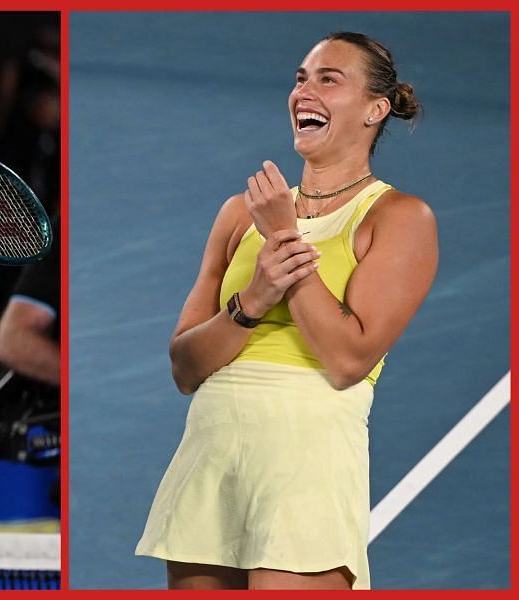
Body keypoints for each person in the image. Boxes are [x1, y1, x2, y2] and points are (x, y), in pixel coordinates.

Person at [135, 32, 437, 590]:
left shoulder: (399, 218)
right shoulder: (235, 215)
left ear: (376, 109)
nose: (305, 91)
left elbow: (347, 360)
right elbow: (185, 367)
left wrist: (283, 235)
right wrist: (251, 302)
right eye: (301, 78)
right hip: (214, 448)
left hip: (307, 456)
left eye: (329, 79)